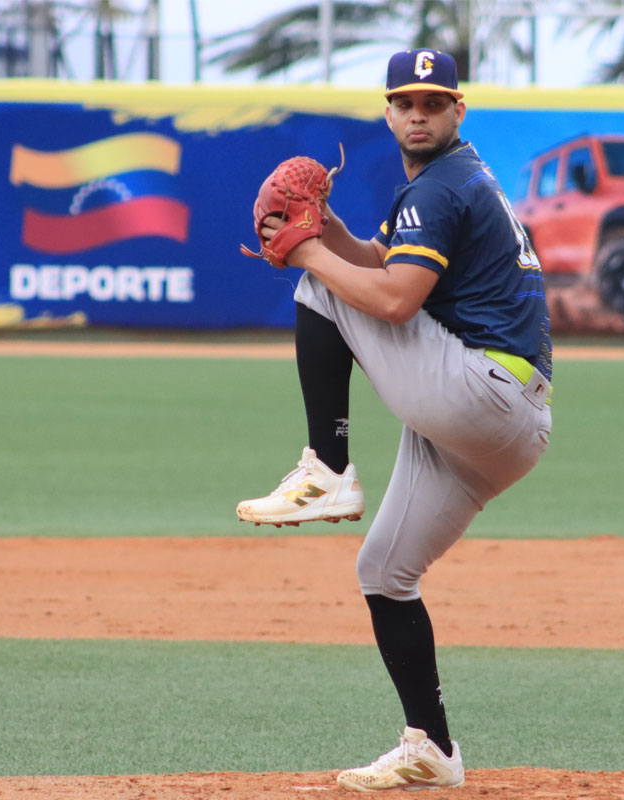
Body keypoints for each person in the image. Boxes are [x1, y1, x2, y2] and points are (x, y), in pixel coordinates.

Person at [236, 48, 553, 792]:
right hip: (503, 428)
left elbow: (391, 301)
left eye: (434, 102)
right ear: (387, 111)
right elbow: (381, 262)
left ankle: (328, 468)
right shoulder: (452, 183)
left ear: (458, 111)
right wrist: (330, 228)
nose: (418, 113)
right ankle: (431, 748)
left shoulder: (440, 188)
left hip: (479, 392)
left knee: (321, 291)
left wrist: (307, 247)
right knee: (384, 572)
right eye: (406, 102)